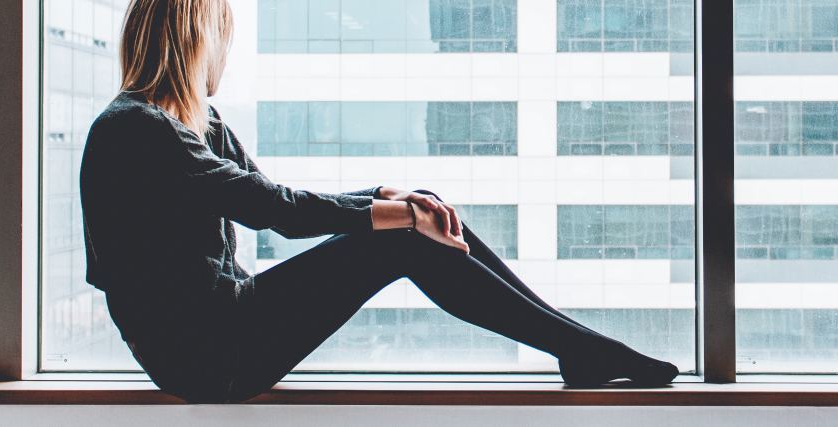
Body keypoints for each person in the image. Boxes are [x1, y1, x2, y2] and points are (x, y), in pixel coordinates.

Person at [79, 0, 678, 404]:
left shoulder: (199, 124)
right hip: (206, 356)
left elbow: (272, 198)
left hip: (229, 325)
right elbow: (278, 213)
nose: (226, 56)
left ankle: (577, 347)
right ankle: (581, 349)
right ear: (196, 40)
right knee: (407, 235)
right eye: (223, 39)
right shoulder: (134, 130)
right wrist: (398, 213)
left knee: (425, 212)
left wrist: (386, 195)